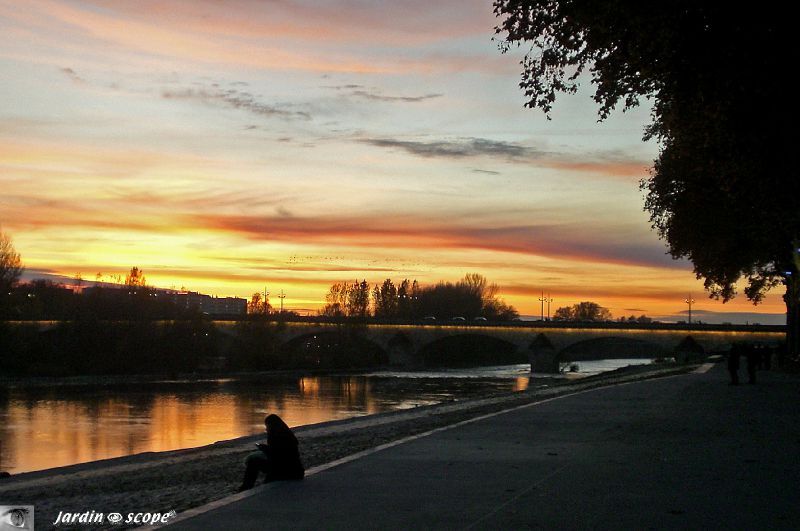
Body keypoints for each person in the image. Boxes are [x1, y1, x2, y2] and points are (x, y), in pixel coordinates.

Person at [238, 414, 305, 492]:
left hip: (286, 471)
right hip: (296, 471)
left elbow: (277, 456)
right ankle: (253, 484)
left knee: (253, 462)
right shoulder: (288, 434)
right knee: (259, 461)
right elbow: (279, 452)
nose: (266, 429)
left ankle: (246, 487)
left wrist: (264, 449)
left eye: (267, 426)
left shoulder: (275, 435)